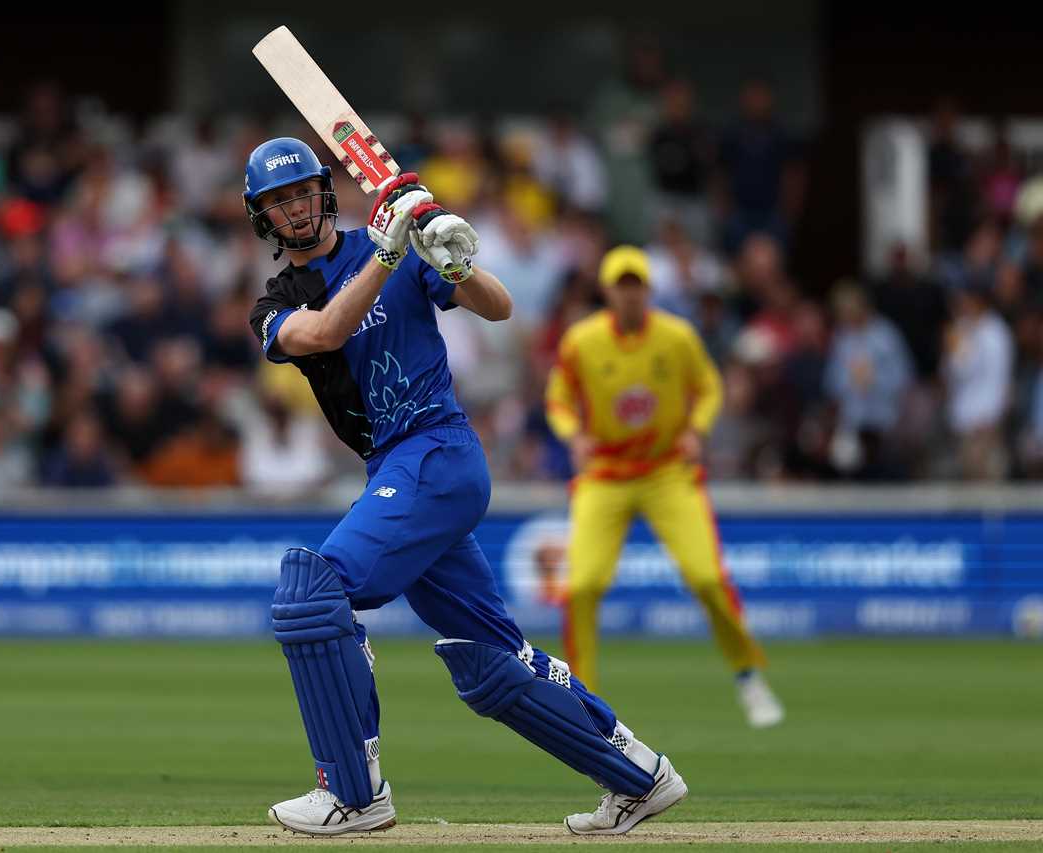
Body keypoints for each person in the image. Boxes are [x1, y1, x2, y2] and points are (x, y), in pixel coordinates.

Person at [244, 139, 687, 837]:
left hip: (436, 450)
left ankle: (354, 795)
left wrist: (453, 261)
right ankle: (638, 775)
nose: (294, 208)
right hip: (397, 467)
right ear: (261, 217)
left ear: (325, 193)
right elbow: (327, 331)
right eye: (278, 201)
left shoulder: (391, 247)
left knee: (312, 591)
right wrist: (392, 253)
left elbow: (500, 305)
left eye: (302, 191)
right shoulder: (276, 303)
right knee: (490, 664)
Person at [544, 245, 784, 729]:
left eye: (637, 286)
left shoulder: (676, 338)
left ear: (648, 290)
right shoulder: (582, 342)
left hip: (666, 470)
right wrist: (575, 436)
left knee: (708, 578)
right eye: (621, 285)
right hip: (606, 475)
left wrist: (698, 427)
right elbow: (559, 399)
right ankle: (582, 699)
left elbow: (710, 387)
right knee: (583, 585)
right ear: (608, 290)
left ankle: (748, 674)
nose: (630, 295)